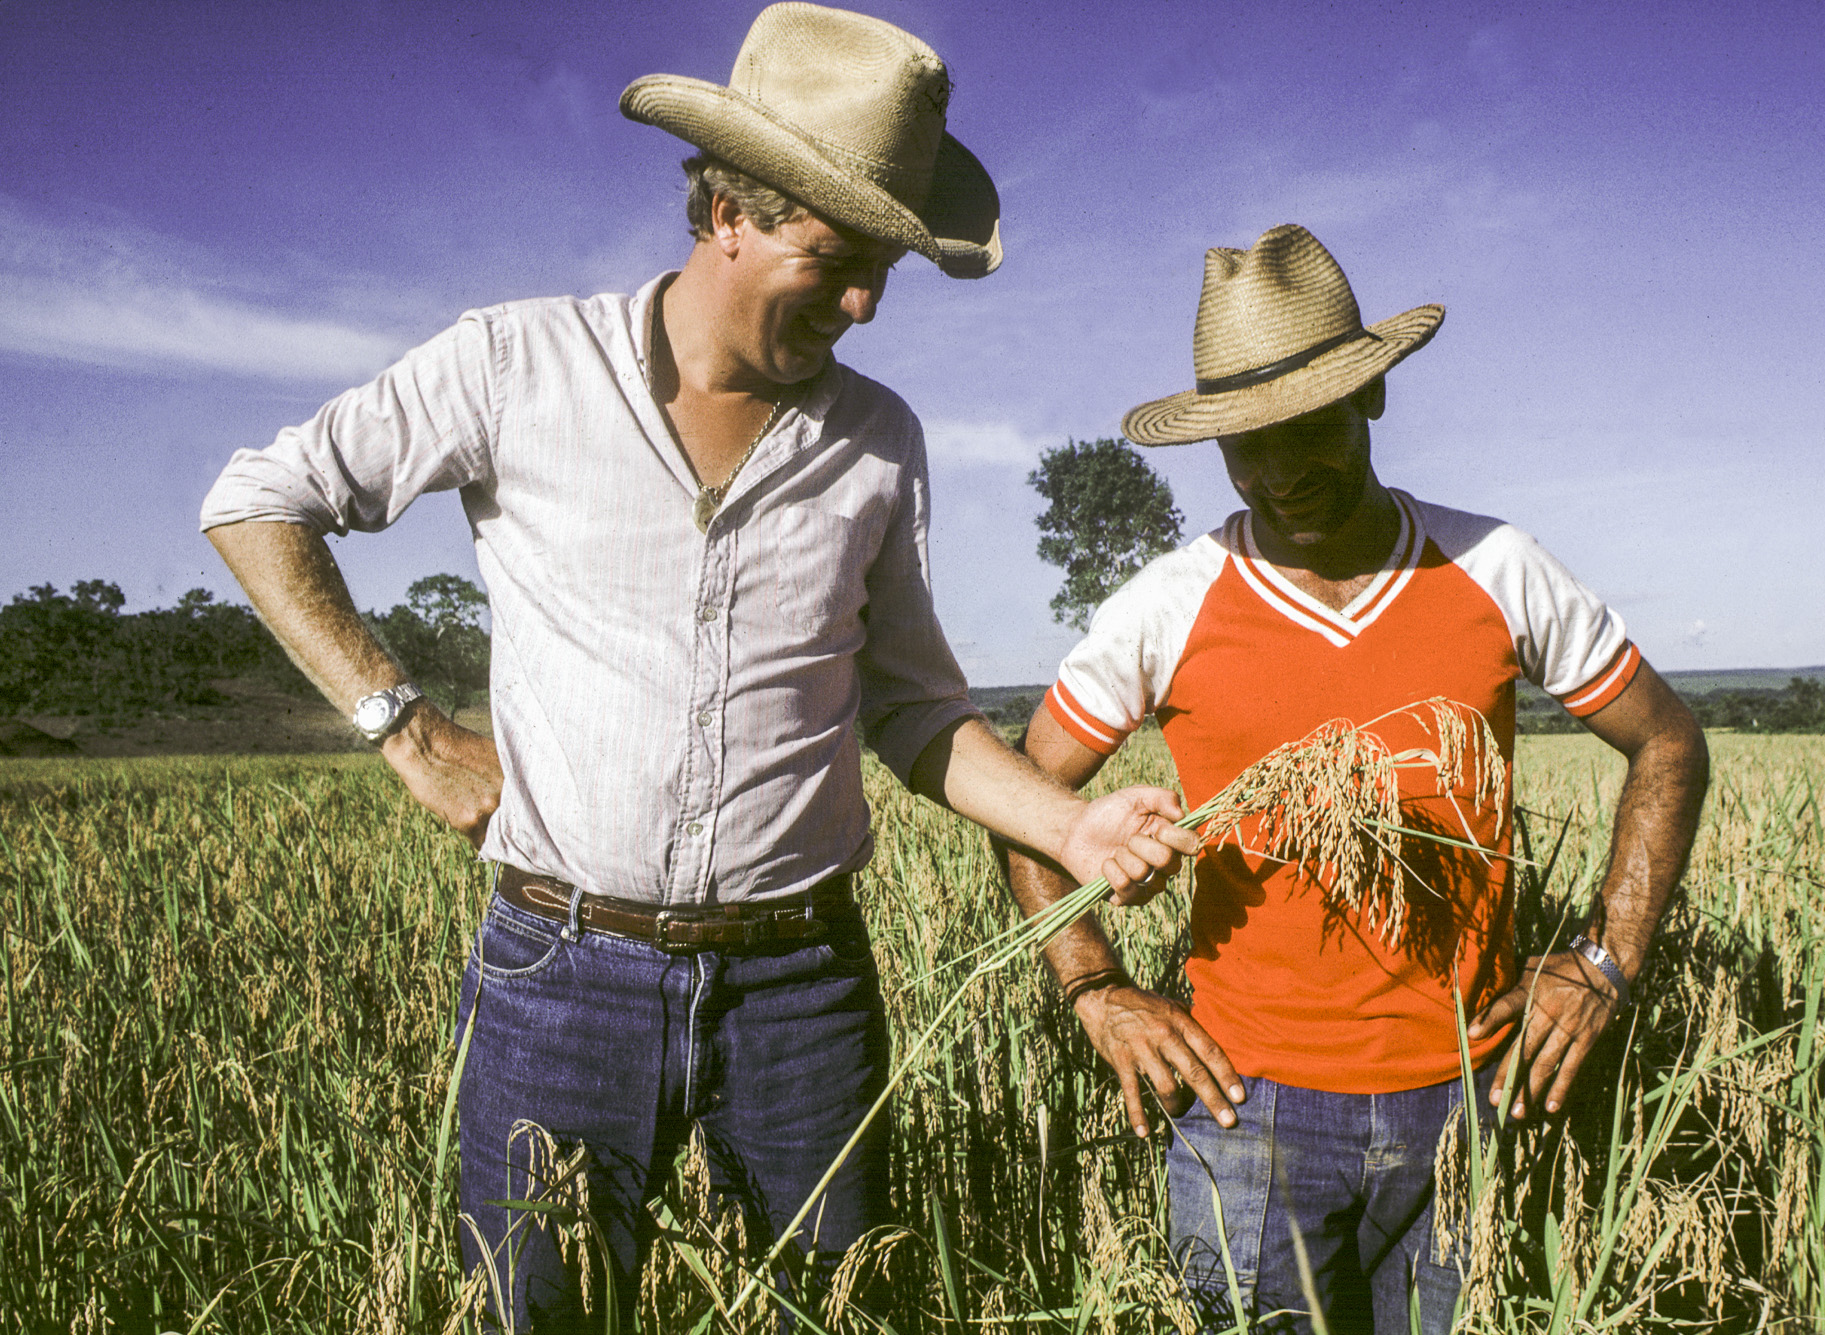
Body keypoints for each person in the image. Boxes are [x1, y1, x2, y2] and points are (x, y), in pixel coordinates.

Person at [199, 5, 1196, 1327]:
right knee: (536, 1311)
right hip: (560, 972)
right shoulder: (516, 364)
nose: (856, 305)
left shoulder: (877, 439)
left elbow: (910, 708)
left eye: (880, 275)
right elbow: (258, 498)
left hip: (802, 988)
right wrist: (401, 722)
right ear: (726, 207)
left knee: (843, 1307)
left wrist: (1068, 820)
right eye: (832, 257)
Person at [1003, 224, 1710, 1334]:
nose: (1281, 472)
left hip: (1469, 1100)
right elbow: (1027, 791)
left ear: (1369, 398)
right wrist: (1097, 986)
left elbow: (1666, 740)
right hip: (1244, 1114)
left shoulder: (1492, 567)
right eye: (1244, 444)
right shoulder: (1168, 602)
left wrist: (1603, 958)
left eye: (1306, 427)